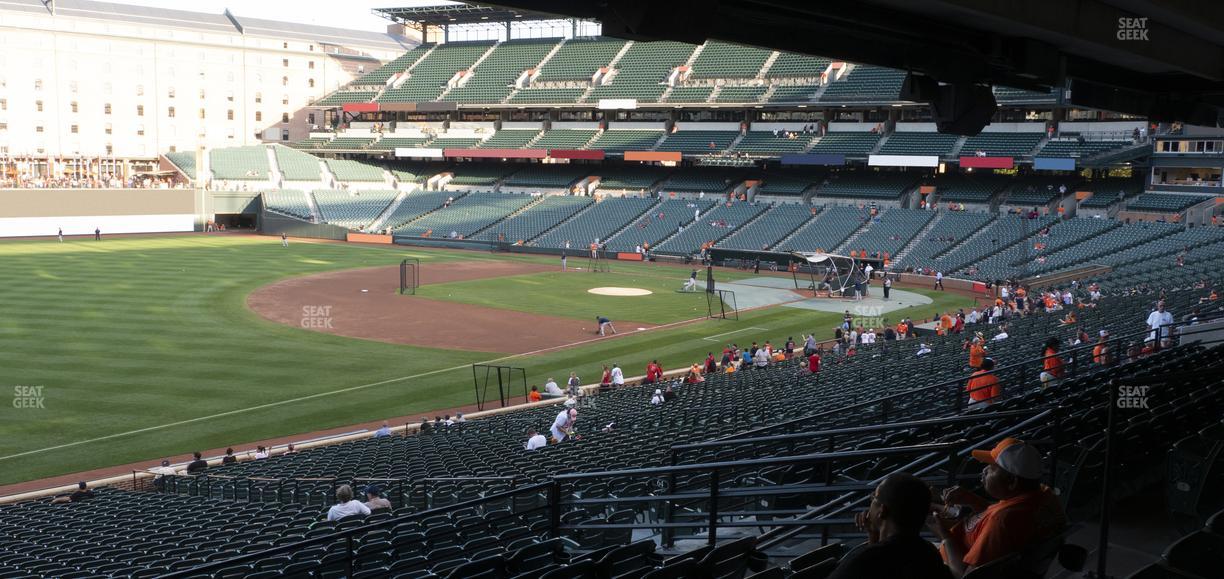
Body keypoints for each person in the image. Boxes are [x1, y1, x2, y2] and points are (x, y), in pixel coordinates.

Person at [932, 438, 1067, 576]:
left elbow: (966, 575)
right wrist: (974, 501)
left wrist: (946, 537)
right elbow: (1007, 522)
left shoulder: (1002, 520)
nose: (984, 470)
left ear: (1011, 481)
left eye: (991, 467)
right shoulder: (1044, 494)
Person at [834, 473, 955, 579]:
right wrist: (873, 537)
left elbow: (876, 561)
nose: (870, 504)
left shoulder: (862, 559)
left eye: (873, 498)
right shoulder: (929, 553)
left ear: (882, 511)